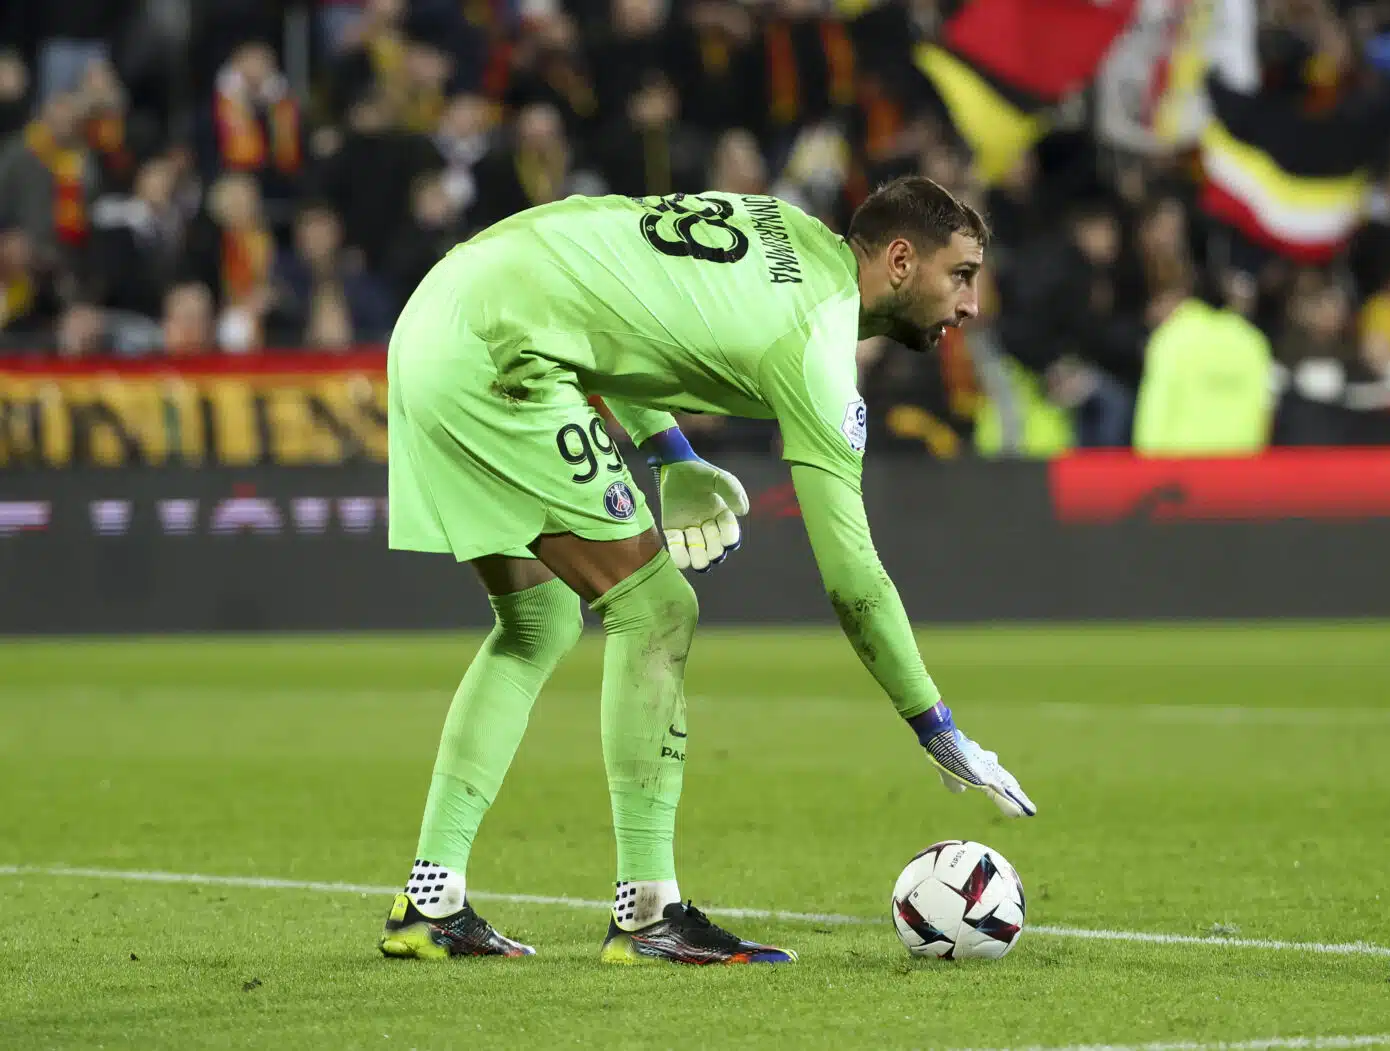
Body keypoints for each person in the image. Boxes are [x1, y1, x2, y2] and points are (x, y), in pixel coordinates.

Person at [382, 176, 1035, 965]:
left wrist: (672, 455)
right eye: (961, 275)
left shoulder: (783, 229)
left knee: (538, 622)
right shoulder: (816, 340)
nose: (971, 304)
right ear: (901, 260)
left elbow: (612, 297)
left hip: (443, 311)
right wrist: (936, 726)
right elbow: (854, 579)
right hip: (498, 350)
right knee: (657, 609)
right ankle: (647, 911)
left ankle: (430, 900)